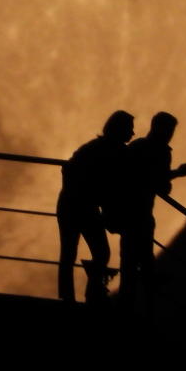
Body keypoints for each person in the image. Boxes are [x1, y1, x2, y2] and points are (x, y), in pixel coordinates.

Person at [113, 111, 186, 311]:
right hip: (136, 214)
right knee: (138, 263)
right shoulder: (152, 150)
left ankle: (132, 304)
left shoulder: (139, 147)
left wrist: (169, 176)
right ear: (158, 128)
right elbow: (155, 182)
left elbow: (157, 182)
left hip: (135, 214)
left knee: (134, 263)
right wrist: (176, 173)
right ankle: (135, 307)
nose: (170, 134)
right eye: (169, 130)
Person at [57, 110, 134, 303]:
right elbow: (70, 171)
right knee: (83, 252)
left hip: (77, 205)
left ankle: (84, 293)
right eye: (129, 129)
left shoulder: (101, 148)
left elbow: (68, 169)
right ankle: (86, 294)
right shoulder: (103, 150)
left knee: (80, 252)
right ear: (119, 129)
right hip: (77, 205)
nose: (132, 133)